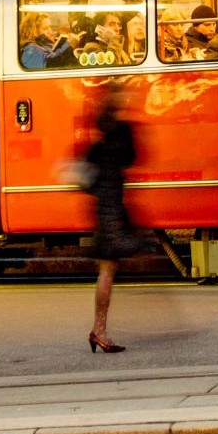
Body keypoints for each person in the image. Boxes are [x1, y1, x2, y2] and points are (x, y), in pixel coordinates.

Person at [83, 80, 149, 354]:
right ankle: (99, 331)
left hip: (103, 207)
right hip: (113, 209)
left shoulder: (99, 137)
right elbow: (133, 158)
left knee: (108, 270)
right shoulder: (123, 131)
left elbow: (87, 181)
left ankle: (99, 329)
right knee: (108, 271)